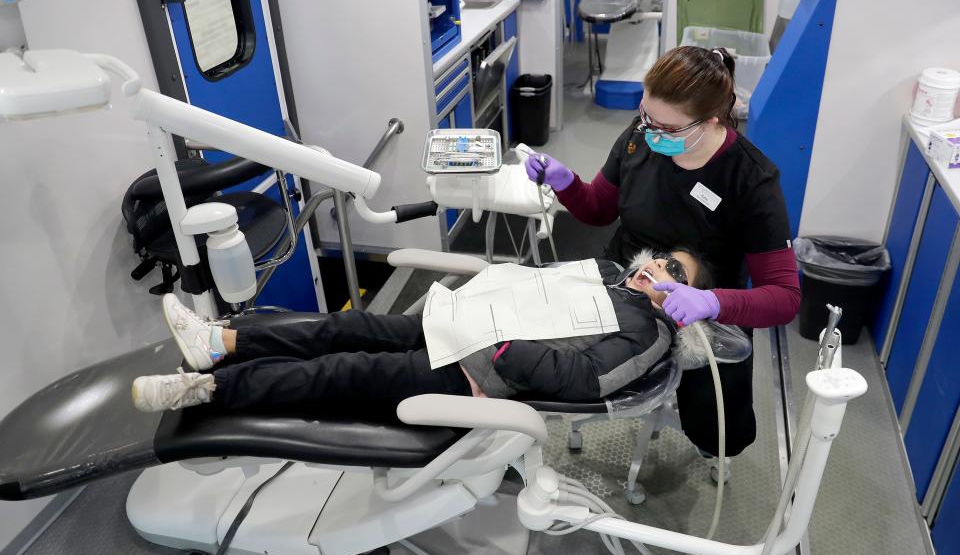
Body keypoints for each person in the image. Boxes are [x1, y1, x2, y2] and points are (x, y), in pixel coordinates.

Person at [524, 46, 801, 457]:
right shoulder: (640, 138)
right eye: (645, 115)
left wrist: (710, 301)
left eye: (668, 128)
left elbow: (784, 298)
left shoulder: (752, 180)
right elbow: (600, 209)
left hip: (704, 305)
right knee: (541, 345)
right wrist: (566, 183)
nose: (652, 132)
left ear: (711, 120)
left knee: (719, 427)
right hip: (625, 278)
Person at [131, 249, 713, 414]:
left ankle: (208, 392)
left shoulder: (650, 334)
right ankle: (217, 344)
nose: (658, 267)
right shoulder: (607, 275)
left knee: (346, 371)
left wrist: (506, 351)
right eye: (661, 258)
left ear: (685, 300)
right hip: (457, 323)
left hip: (478, 367)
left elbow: (587, 379)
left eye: (674, 272)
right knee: (345, 326)